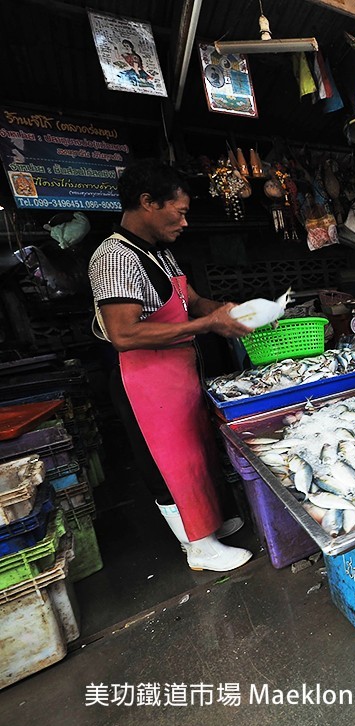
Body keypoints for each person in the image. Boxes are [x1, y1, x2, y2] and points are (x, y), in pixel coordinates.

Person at [88, 160, 254, 572]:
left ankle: (208, 524)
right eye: (178, 212)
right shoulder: (113, 257)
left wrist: (228, 311)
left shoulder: (160, 254)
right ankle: (197, 545)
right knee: (169, 463)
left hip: (178, 375)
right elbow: (124, 333)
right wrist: (209, 324)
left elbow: (193, 302)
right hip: (145, 384)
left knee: (196, 452)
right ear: (148, 203)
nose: (184, 222)